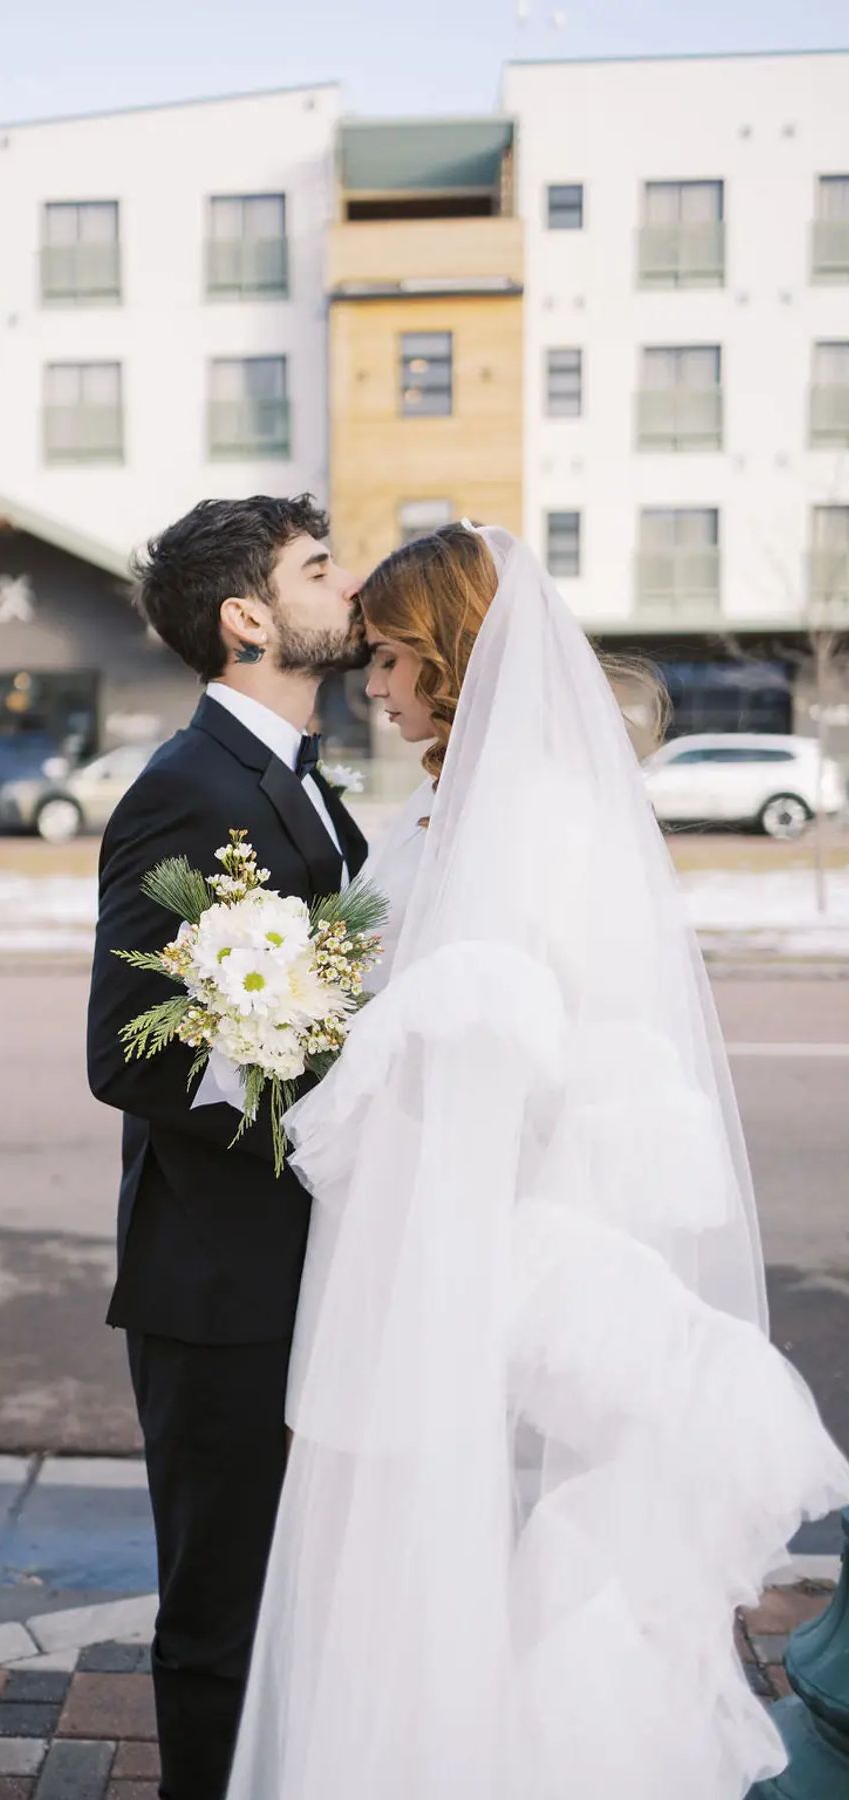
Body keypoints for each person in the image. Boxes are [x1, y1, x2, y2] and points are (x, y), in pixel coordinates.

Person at [225, 522, 849, 1800]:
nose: (379, 688)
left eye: (396, 661)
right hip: (422, 1231)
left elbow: (563, 1040)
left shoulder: (547, 818)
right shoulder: (446, 807)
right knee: (404, 1557)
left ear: (456, 656)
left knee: (472, 1546)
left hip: (498, 1233)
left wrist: (409, 1039)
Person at [86, 494, 369, 1800]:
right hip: (221, 1291)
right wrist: (308, 1066)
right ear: (248, 618)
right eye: (322, 569)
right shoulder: (183, 789)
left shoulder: (304, 781)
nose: (349, 583)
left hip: (310, 1275)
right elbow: (129, 1050)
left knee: (302, 1605)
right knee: (219, 1628)